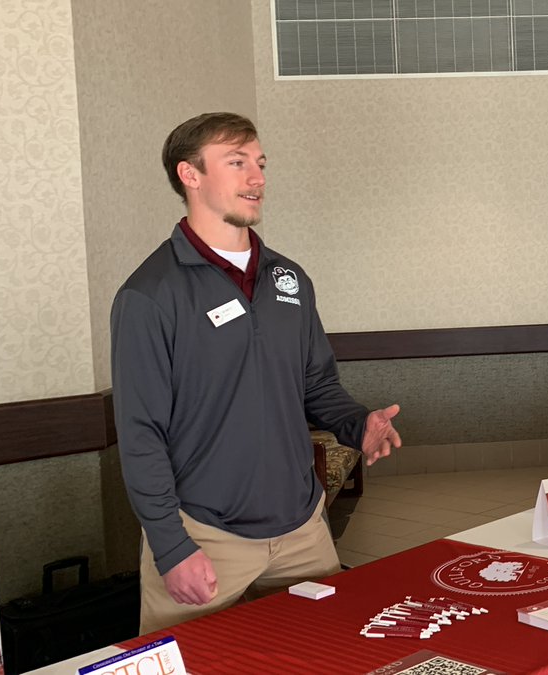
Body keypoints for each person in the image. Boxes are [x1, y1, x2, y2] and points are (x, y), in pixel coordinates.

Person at [112, 112, 403, 633]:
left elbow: (315, 384)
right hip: (204, 534)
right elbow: (140, 436)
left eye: (261, 163)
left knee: (325, 655)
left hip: (301, 528)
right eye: (238, 162)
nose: (258, 178)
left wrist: (358, 424)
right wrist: (170, 546)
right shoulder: (149, 296)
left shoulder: (288, 278)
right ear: (190, 175)